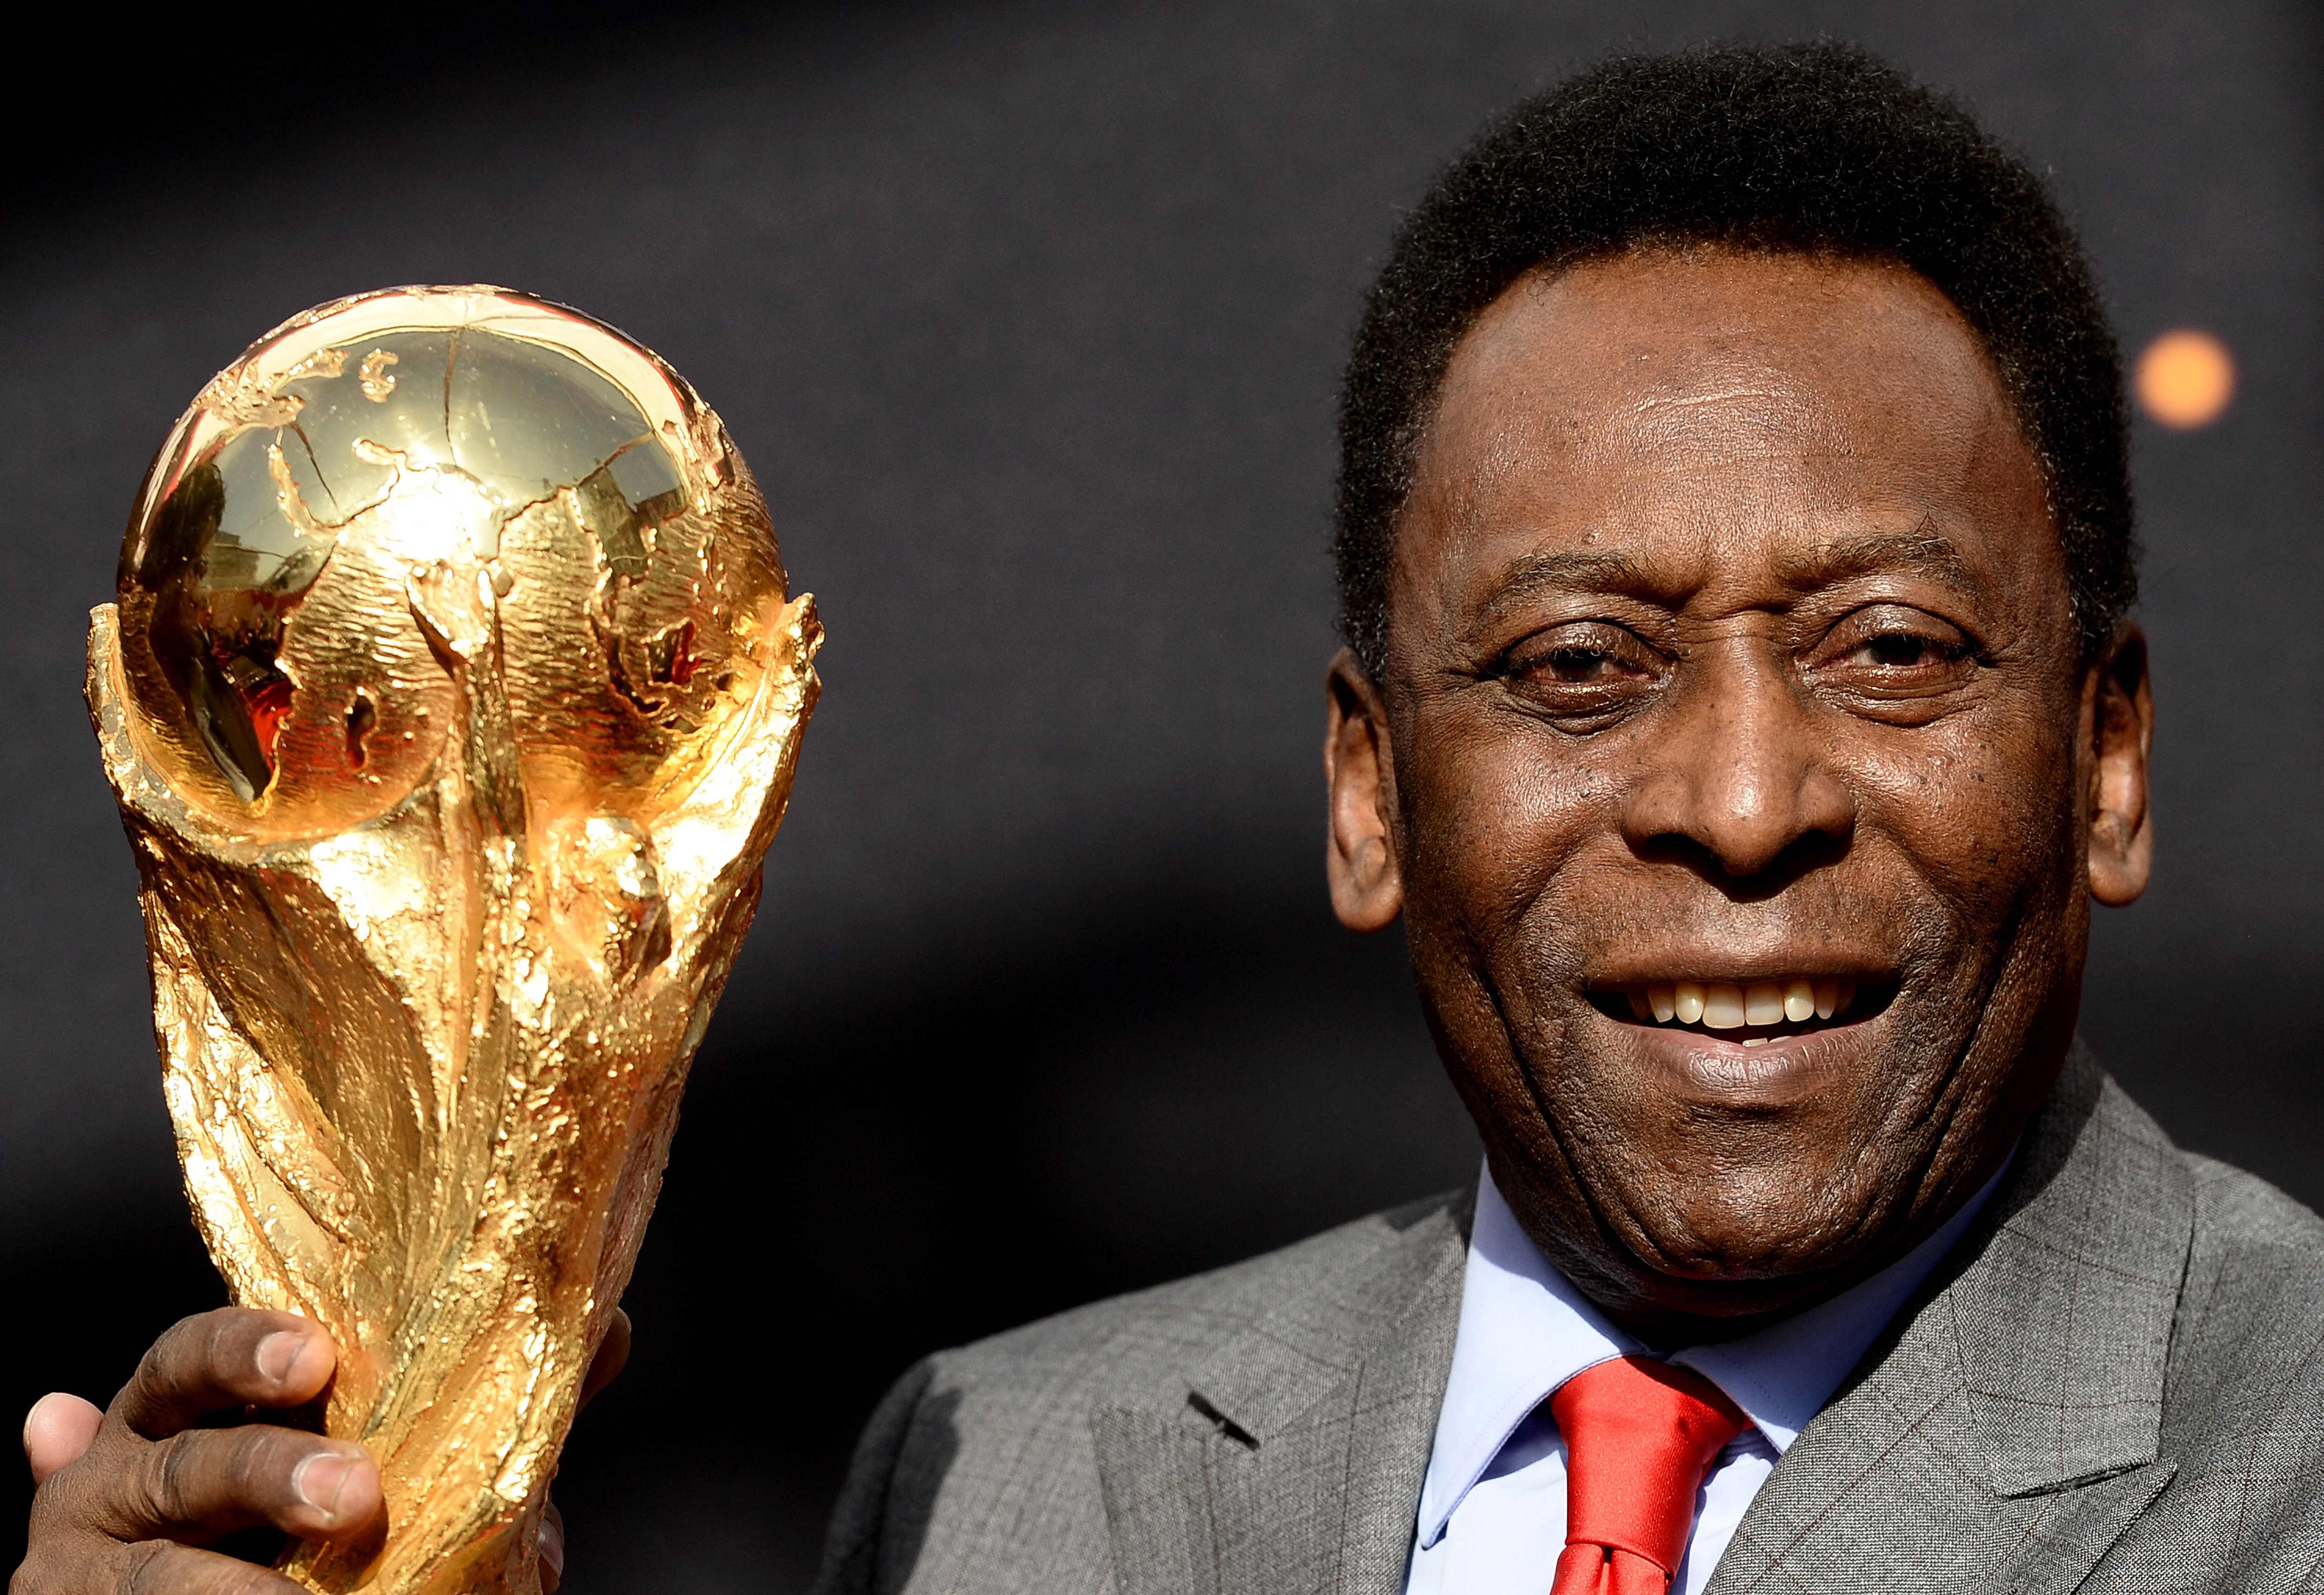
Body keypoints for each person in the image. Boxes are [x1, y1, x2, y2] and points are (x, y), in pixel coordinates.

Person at [16, 40, 2324, 1595]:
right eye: (1575, 672)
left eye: (1890, 653)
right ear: (1363, 800)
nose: (1737, 804)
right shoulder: (996, 1479)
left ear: (2106, 755)